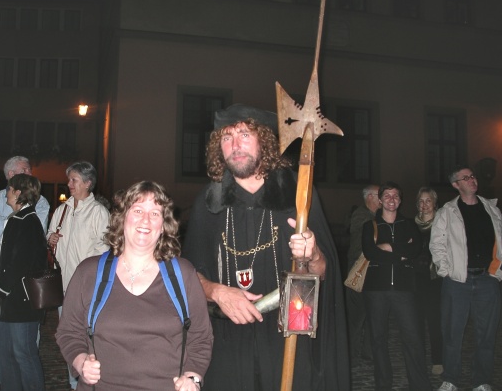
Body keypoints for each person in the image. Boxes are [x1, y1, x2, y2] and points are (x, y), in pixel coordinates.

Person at [181, 104, 349, 390]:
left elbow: (323, 275)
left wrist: (314, 254)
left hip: (288, 339)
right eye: (226, 137)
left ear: (264, 141)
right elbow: (187, 275)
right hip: (228, 344)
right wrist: (217, 292)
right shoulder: (208, 203)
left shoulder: (297, 194)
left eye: (245, 134)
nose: (235, 144)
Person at [56, 180, 213, 390]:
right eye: (137, 210)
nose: (145, 220)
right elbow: (68, 331)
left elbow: (201, 336)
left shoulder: (182, 274)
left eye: (155, 213)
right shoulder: (89, 272)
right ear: (122, 218)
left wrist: (193, 378)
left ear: (164, 225)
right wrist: (81, 361)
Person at [0, 155, 49, 391]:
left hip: (21, 303)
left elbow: (19, 264)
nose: (6, 192)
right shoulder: (17, 219)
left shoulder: (27, 221)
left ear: (18, 193)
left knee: (24, 354)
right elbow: (2, 258)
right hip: (7, 301)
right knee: (5, 351)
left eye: (9, 190)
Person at [430, 166, 502, 391]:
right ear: (456, 185)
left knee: (487, 335)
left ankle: (482, 381)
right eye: (466, 178)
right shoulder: (447, 212)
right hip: (457, 281)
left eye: (472, 176)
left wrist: (498, 272)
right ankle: (451, 379)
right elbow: (437, 244)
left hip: (487, 280)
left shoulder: (492, 209)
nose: (472, 180)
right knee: (452, 333)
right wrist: (447, 271)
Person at [361, 181, 431, 391]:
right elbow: (370, 253)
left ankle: (420, 385)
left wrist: (387, 248)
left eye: (396, 196)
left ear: (400, 201)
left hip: (404, 288)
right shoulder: (369, 226)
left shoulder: (409, 225)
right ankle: (383, 384)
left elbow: (415, 250)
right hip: (376, 289)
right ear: (380, 200)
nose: (392, 200)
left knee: (413, 338)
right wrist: (400, 253)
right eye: (388, 196)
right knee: (378, 339)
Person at [47, 161, 110, 390]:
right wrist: (50, 238)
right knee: (69, 339)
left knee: (91, 339)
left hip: (88, 290)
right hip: (63, 288)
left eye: (74, 180)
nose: (69, 184)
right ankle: (74, 383)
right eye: (69, 179)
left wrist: (84, 276)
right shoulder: (61, 210)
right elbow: (51, 235)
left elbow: (104, 249)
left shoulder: (98, 213)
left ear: (87, 183)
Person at [346, 184, 380, 365]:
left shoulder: (375, 216)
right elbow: (364, 236)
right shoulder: (361, 215)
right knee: (356, 315)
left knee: (372, 313)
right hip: (359, 271)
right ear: (369, 197)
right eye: (379, 195)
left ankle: (368, 351)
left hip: (372, 271)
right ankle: (351, 354)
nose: (382, 198)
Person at [414, 187, 443, 376]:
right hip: (415, 279)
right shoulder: (410, 225)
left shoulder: (442, 224)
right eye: (421, 201)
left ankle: (438, 360)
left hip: (434, 279)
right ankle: (418, 361)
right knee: (415, 323)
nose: (424, 205)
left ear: (434, 203)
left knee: (435, 321)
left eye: (428, 201)